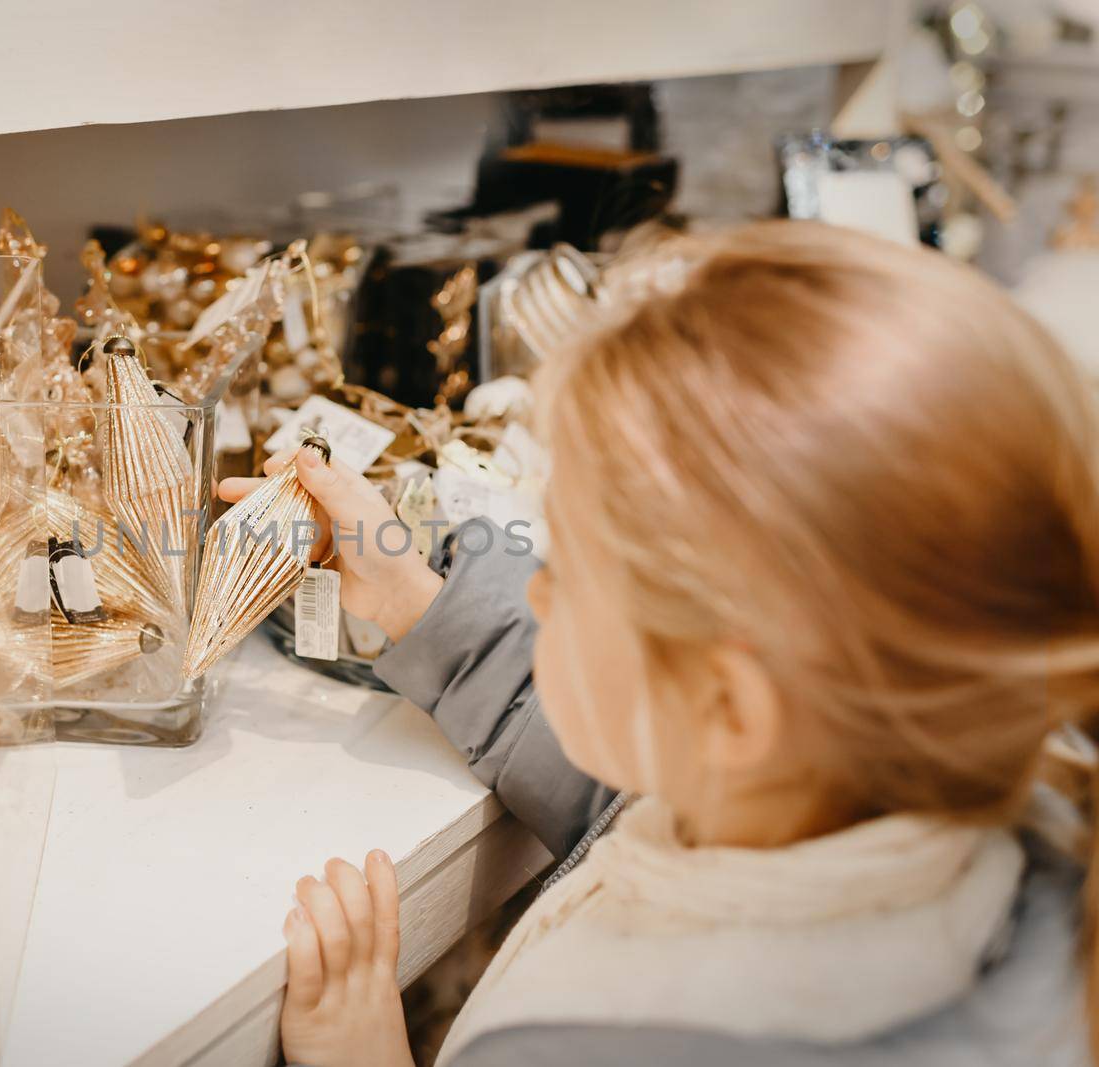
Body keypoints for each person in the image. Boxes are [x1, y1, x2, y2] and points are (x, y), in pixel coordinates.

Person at [217, 220, 1099, 1066]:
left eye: (566, 570)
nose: (536, 584)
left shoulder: (605, 1045)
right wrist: (418, 599)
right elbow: (634, 787)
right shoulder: (950, 814)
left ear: (730, 703)